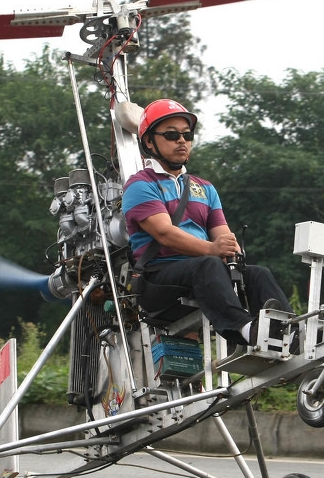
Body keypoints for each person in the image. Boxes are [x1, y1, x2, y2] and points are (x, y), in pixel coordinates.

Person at [122, 98, 291, 348]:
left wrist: (231, 252)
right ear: (149, 141)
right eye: (171, 135)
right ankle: (247, 330)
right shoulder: (140, 185)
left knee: (258, 274)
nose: (182, 141)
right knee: (208, 265)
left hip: (205, 271)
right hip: (159, 278)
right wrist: (213, 249)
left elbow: (221, 234)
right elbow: (165, 234)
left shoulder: (204, 188)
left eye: (187, 135)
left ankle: (287, 333)